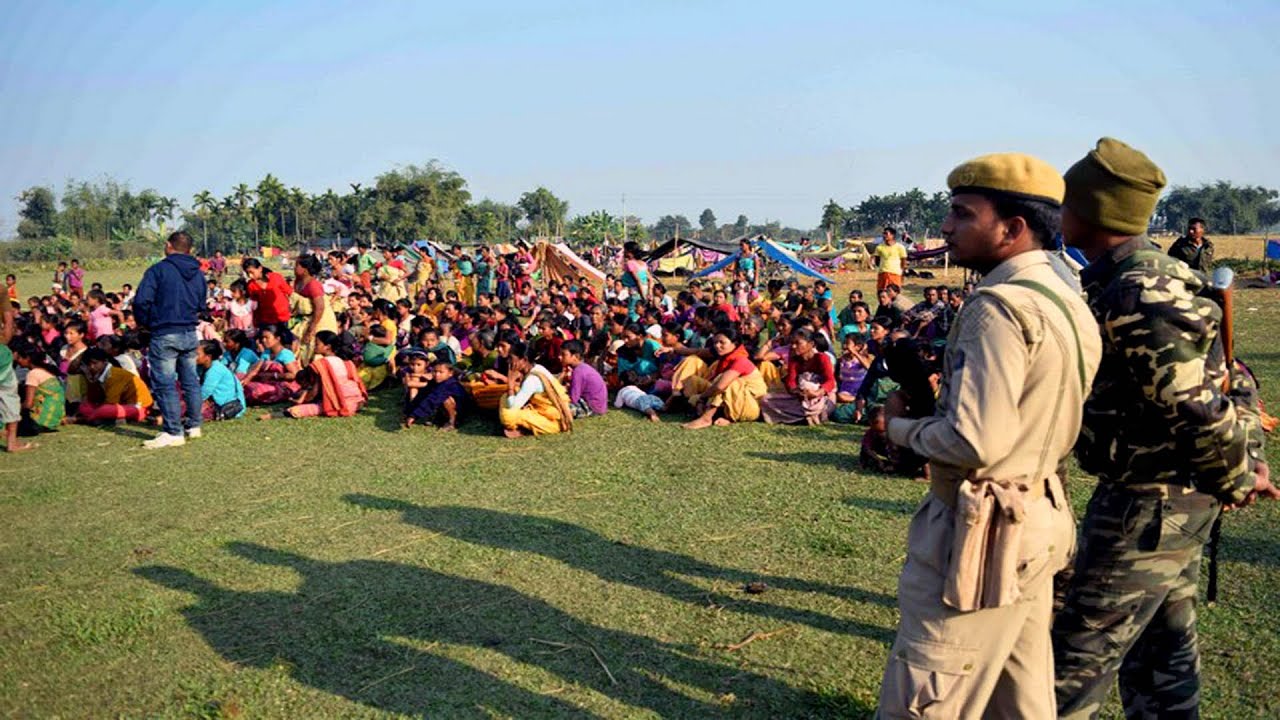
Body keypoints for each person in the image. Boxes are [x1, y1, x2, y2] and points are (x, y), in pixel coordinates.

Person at [1052, 138, 1275, 720]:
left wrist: (1238, 478)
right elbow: (1230, 376)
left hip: (1147, 503)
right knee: (1161, 658)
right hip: (1165, 500)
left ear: (1093, 212)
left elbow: (1198, 403)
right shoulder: (1136, 277)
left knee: (1070, 665)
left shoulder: (1139, 288)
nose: (1058, 212)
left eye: (1066, 201)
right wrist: (1244, 464)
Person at [874, 152, 1102, 719]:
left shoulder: (998, 308)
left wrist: (899, 428)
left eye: (961, 214)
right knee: (1018, 702)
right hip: (1038, 515)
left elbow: (976, 442)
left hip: (982, 534)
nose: (947, 227)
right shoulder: (1064, 295)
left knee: (928, 698)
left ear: (1011, 229)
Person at [133, 231, 207, 449]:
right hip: (189, 331)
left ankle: (173, 431)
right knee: (190, 380)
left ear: (168, 246)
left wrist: (145, 323)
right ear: (189, 249)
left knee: (165, 383)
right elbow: (202, 303)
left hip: (164, 331)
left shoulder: (158, 270)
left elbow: (141, 301)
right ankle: (194, 426)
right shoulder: (198, 273)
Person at [672, 326, 768, 429]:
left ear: (734, 344)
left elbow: (719, 387)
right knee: (692, 380)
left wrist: (701, 397)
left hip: (749, 407)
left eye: (722, 342)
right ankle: (698, 411)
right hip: (734, 402)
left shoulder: (741, 361)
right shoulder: (723, 360)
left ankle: (706, 418)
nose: (717, 346)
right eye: (715, 343)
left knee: (723, 382)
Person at [260, 330, 366, 420]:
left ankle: (280, 414)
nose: (314, 346)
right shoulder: (345, 362)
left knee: (298, 409)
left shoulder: (321, 364)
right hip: (358, 402)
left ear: (327, 347)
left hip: (342, 403)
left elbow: (314, 392)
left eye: (317, 344)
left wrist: (302, 402)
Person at [759, 327, 836, 425]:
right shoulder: (795, 360)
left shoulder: (822, 358)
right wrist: (798, 391)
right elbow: (791, 382)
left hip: (821, 397)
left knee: (814, 401)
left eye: (798, 343)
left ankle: (802, 416)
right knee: (766, 399)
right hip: (800, 397)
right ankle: (805, 417)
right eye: (792, 343)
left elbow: (830, 382)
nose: (794, 346)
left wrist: (816, 393)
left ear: (811, 344)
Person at [498, 340, 573, 438]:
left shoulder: (532, 379)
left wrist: (510, 384)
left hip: (553, 420)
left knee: (508, 416)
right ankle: (523, 426)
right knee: (504, 397)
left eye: (512, 359)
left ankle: (524, 428)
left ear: (524, 360)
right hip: (539, 410)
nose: (509, 362)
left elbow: (513, 406)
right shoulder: (537, 367)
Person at [76, 347, 155, 424]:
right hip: (119, 406)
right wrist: (91, 381)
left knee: (105, 410)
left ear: (105, 361)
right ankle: (100, 418)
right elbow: (94, 399)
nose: (91, 367)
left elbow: (110, 403)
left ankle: (87, 419)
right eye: (89, 364)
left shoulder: (114, 375)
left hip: (139, 407)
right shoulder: (97, 374)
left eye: (95, 363)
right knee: (84, 406)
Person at [404, 359, 467, 430]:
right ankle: (438, 418)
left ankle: (452, 422)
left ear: (450, 373)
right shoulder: (433, 382)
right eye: (435, 371)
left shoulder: (450, 384)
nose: (437, 375)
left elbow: (433, 400)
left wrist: (414, 416)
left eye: (441, 372)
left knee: (446, 399)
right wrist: (409, 412)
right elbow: (420, 396)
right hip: (441, 410)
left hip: (460, 411)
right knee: (427, 394)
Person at [194, 340, 246, 421]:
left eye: (197, 354)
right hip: (213, 402)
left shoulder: (216, 369)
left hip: (227, 406)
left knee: (189, 411)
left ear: (208, 357)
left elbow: (205, 392)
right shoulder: (201, 367)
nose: (193, 356)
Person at [559, 339, 608, 418]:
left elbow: (573, 399)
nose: (559, 357)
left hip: (591, 407)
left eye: (563, 354)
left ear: (575, 356)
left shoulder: (578, 371)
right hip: (597, 406)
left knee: (558, 407)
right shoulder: (582, 368)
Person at [242, 258, 292, 328]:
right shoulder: (251, 285)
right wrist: (255, 321)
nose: (250, 276)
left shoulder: (276, 277)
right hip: (266, 320)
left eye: (252, 272)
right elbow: (255, 306)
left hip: (282, 317)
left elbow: (290, 292)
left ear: (260, 269)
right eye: (247, 273)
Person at [874, 227, 908, 291]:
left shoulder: (900, 247)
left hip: (895, 274)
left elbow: (903, 262)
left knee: (894, 293)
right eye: (883, 234)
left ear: (892, 235)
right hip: (883, 273)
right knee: (882, 292)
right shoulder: (879, 247)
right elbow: (877, 261)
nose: (884, 236)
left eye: (886, 234)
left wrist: (902, 275)